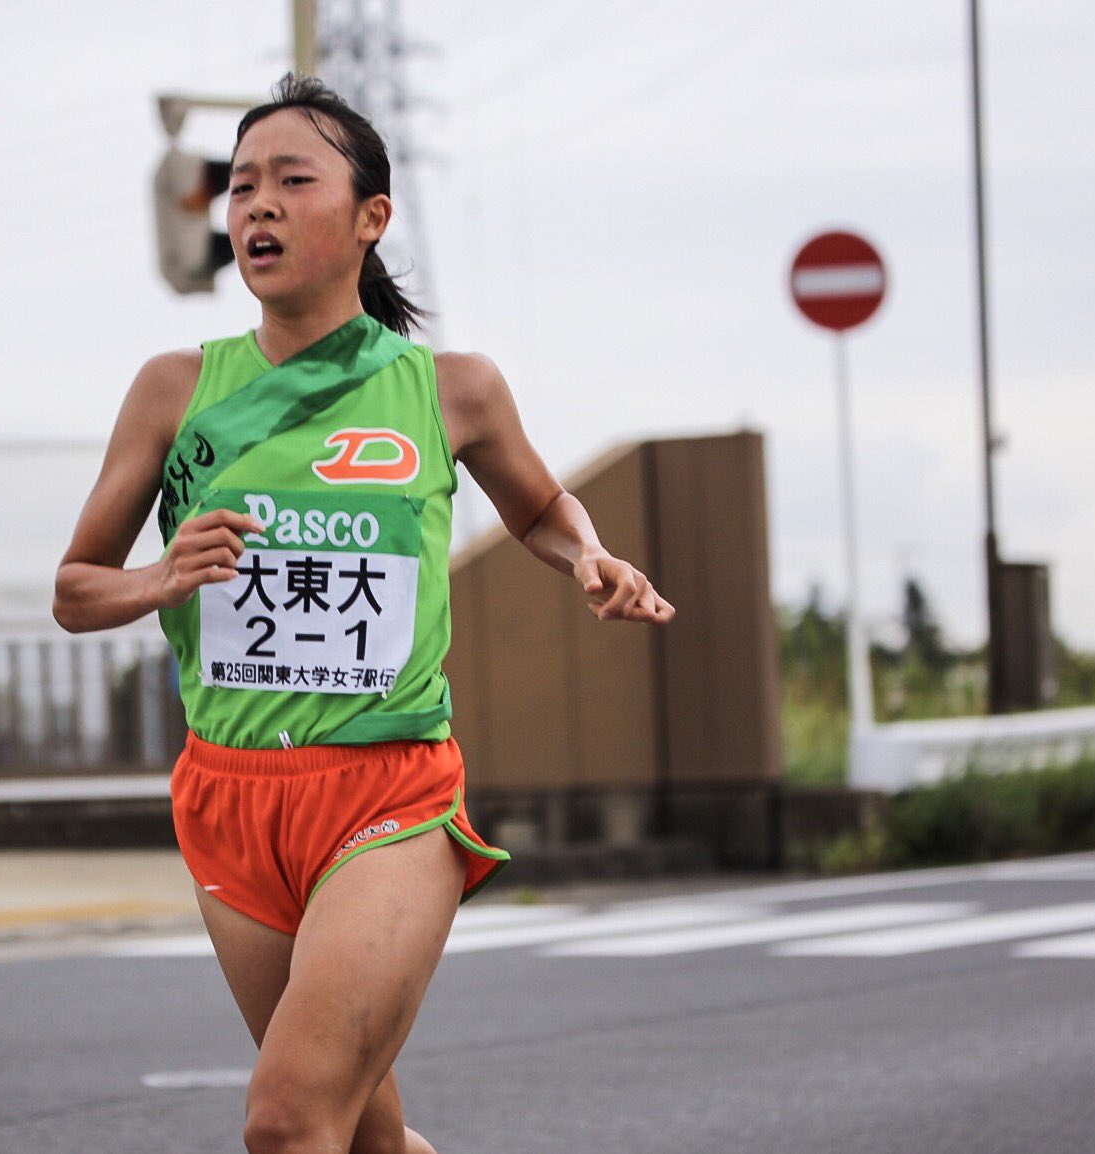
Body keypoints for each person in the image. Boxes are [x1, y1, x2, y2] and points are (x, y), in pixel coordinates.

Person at [54, 75, 673, 1154]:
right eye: (241, 186)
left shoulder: (449, 389)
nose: (257, 206)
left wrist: (589, 554)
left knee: (288, 1119)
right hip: (231, 794)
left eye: (293, 181)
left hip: (387, 792)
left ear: (370, 216)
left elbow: (537, 506)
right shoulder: (173, 390)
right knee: (362, 1133)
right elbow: (74, 588)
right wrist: (159, 578)